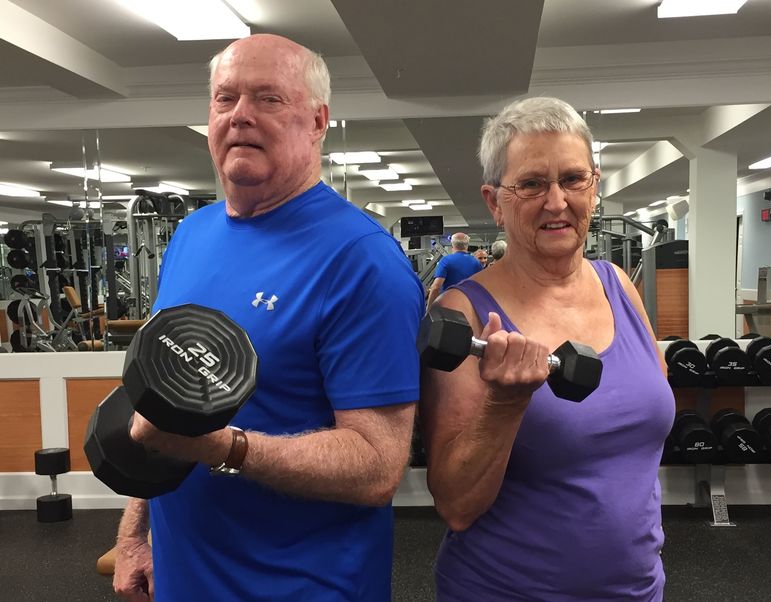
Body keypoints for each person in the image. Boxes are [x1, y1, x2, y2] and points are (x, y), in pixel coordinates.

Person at [113, 34, 424, 602]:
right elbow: (164, 403)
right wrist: (136, 530)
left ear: (317, 121)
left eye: (268, 98)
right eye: (225, 98)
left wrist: (222, 447)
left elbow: (378, 465)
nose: (240, 115)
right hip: (185, 579)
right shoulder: (191, 234)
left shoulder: (363, 260)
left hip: (303, 588)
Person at [419, 96, 674, 601]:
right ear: (495, 202)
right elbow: (456, 504)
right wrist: (505, 403)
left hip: (637, 590)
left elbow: (649, 411)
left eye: (573, 179)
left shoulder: (619, 284)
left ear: (594, 186)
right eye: (532, 184)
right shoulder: (463, 313)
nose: (557, 202)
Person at [426, 232, 483, 312]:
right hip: (469, 308)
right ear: (467, 245)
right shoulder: (476, 263)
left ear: (452, 245)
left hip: (449, 308)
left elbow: (436, 287)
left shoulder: (446, 261)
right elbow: (481, 288)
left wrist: (429, 309)